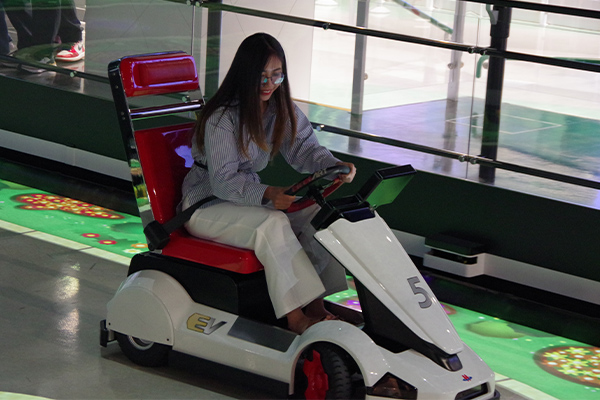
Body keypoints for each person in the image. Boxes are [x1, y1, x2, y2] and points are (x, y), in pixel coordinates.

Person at [181, 33, 356, 334]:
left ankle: (316, 307)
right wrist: (268, 193)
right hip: (204, 206)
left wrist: (333, 166)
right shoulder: (222, 117)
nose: (269, 84)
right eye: (261, 76)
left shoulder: (280, 109)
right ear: (244, 74)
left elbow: (305, 150)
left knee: (317, 215)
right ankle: (295, 319)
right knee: (272, 223)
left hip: (243, 202)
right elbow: (222, 182)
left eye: (276, 75)